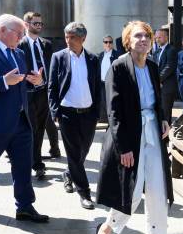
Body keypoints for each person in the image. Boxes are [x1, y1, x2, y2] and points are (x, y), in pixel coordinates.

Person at [94, 21, 173, 234]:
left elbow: (157, 101)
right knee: (132, 189)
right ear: (128, 41)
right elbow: (113, 112)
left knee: (158, 187)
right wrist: (124, 147)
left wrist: (163, 120)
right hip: (130, 135)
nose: (144, 39)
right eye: (138, 36)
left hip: (152, 132)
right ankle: (106, 230)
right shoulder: (118, 67)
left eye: (147, 36)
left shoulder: (152, 66)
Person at [0, 14, 49, 223]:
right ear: (3, 30)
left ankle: (24, 206)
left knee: (23, 166)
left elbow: (21, 82)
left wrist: (37, 82)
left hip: (21, 121)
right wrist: (3, 81)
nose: (22, 36)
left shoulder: (19, 53)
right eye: (19, 32)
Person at [49, 22, 100, 210]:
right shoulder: (58, 57)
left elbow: (97, 88)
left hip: (88, 115)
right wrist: (55, 112)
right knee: (74, 154)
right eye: (66, 37)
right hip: (67, 114)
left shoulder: (93, 59)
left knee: (82, 153)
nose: (68, 41)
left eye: (73, 37)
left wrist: (97, 113)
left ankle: (68, 174)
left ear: (83, 39)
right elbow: (52, 87)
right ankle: (84, 193)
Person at [18, 12, 60, 180]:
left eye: (40, 23)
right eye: (36, 23)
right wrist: (30, 79)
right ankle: (34, 163)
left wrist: (43, 80)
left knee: (40, 128)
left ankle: (35, 161)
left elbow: (51, 68)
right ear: (26, 24)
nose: (39, 26)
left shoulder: (46, 45)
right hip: (27, 93)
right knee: (30, 128)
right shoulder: (19, 45)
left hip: (43, 92)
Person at [153, 28, 178, 124]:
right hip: (157, 86)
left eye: (160, 37)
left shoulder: (171, 50)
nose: (157, 39)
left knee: (166, 112)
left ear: (166, 37)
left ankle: (165, 136)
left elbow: (169, 67)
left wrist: (157, 80)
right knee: (158, 110)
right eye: (156, 38)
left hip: (167, 87)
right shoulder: (157, 52)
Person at [97, 34, 119, 123]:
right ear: (103, 44)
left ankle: (113, 118)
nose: (108, 44)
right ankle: (103, 119)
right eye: (106, 42)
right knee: (102, 101)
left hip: (112, 82)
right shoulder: (101, 55)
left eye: (110, 42)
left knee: (112, 101)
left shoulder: (116, 54)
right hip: (102, 82)